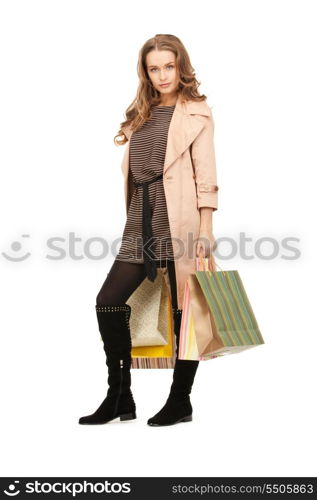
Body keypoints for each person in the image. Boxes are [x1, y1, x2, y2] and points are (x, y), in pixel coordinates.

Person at [78, 33, 219, 427]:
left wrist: (207, 226)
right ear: (146, 72)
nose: (162, 75)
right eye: (154, 68)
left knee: (184, 313)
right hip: (140, 219)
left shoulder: (197, 112)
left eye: (169, 66)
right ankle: (119, 397)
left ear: (181, 66)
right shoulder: (141, 113)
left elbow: (206, 175)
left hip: (181, 219)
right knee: (108, 301)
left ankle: (180, 400)